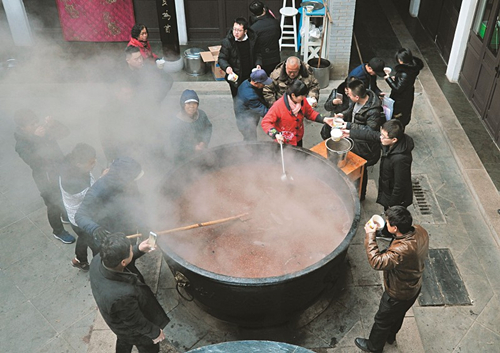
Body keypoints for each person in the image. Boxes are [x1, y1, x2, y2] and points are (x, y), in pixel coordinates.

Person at [355, 206, 429, 353]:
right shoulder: (419, 230)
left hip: (397, 293)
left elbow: (377, 261)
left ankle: (374, 347)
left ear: (395, 228)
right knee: (398, 315)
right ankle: (390, 336)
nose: (386, 223)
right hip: (413, 287)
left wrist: (370, 235)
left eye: (388, 223)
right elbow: (398, 239)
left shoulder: (402, 250)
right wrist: (381, 230)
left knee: (382, 319)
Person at [89, 233, 169, 353]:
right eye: (131, 251)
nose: (133, 250)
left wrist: (139, 249)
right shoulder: (121, 297)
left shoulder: (98, 259)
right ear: (123, 263)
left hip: (117, 321)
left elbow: (122, 260)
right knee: (147, 347)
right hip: (130, 330)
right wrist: (155, 332)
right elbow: (136, 322)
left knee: (123, 340)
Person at [13, 109, 75, 244]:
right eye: (32, 124)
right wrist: (37, 139)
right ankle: (58, 231)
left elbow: (65, 132)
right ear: (23, 127)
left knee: (64, 194)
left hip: (59, 169)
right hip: (45, 177)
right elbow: (34, 161)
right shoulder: (22, 144)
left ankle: (66, 216)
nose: (36, 126)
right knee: (53, 204)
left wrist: (54, 124)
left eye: (36, 122)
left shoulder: (44, 132)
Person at [75, 156, 149, 250]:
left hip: (128, 229)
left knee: (131, 252)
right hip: (110, 236)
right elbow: (79, 215)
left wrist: (142, 225)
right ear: (124, 178)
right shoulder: (97, 190)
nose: (134, 183)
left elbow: (136, 204)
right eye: (132, 179)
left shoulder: (129, 183)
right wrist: (95, 228)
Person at [331, 80, 386, 200]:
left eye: (349, 94)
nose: (348, 96)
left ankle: (361, 195)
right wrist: (343, 115)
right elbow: (352, 111)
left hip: (365, 147)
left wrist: (349, 126)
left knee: (361, 171)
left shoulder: (373, 111)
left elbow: (370, 131)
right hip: (355, 139)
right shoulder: (358, 101)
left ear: (357, 96)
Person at [343, 119, 414, 211]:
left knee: (392, 218)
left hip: (396, 198)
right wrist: (349, 133)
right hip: (387, 187)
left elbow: (399, 185)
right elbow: (372, 135)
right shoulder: (388, 142)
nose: (381, 138)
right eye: (381, 134)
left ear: (394, 140)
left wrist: (392, 206)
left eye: (384, 137)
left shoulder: (401, 159)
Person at [59, 143, 99, 271]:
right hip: (81, 218)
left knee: (83, 237)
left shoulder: (75, 167)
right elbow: (94, 196)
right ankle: (100, 269)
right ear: (78, 164)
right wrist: (104, 178)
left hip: (81, 216)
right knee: (96, 246)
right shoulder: (71, 182)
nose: (94, 163)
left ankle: (79, 260)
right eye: (91, 162)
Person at [261, 80, 333, 146]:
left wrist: (324, 119)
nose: (304, 97)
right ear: (293, 95)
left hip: (298, 138)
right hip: (283, 141)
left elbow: (310, 113)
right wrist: (275, 134)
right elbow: (265, 122)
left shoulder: (302, 101)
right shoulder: (278, 106)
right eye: (302, 96)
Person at [218, 17, 262, 97]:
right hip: (236, 76)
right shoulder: (228, 42)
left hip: (250, 75)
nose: (236, 33)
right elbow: (222, 58)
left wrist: (258, 64)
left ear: (245, 31)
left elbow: (258, 53)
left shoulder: (252, 40)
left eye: (239, 30)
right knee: (238, 99)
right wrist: (227, 67)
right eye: (234, 29)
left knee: (251, 96)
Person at [167, 90, 212, 164]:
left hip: (200, 153)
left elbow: (208, 128)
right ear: (183, 105)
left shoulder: (201, 114)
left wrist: (204, 141)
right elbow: (176, 144)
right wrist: (193, 148)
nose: (192, 106)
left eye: (195, 103)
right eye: (188, 103)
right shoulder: (177, 121)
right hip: (182, 159)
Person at [385, 48, 424, 128]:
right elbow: (404, 83)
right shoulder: (413, 69)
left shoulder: (405, 73)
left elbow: (398, 88)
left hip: (401, 100)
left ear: (400, 60)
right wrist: (396, 79)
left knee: (397, 118)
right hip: (407, 96)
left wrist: (388, 78)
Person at [234, 69, 271, 141]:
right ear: (256, 82)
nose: (265, 85)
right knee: (250, 141)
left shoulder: (246, 82)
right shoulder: (250, 97)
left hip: (245, 115)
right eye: (263, 83)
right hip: (245, 123)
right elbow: (264, 112)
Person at [249, 0, 281, 76]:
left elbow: (252, 45)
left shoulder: (253, 28)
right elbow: (279, 35)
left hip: (261, 60)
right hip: (275, 56)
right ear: (264, 9)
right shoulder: (275, 22)